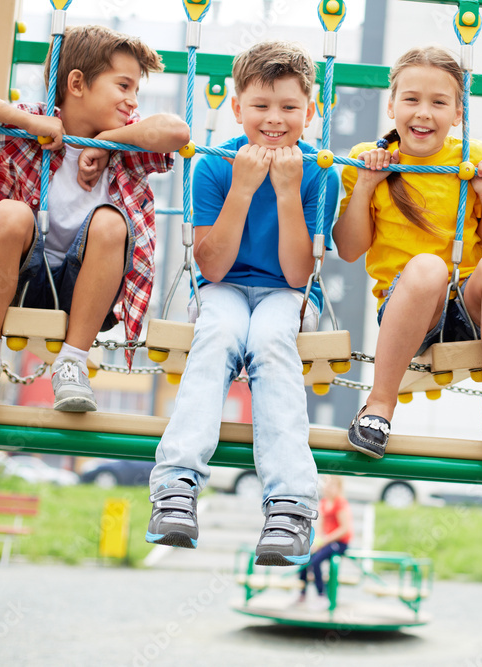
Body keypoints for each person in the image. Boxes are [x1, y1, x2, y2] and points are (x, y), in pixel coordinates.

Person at [0, 25, 188, 433]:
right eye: (123, 85)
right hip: (20, 281)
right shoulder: (30, 129)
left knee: (110, 222)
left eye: (136, 90)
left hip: (83, 295)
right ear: (77, 83)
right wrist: (23, 121)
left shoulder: (125, 147)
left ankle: (72, 363)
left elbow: (177, 132)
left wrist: (106, 143)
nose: (132, 100)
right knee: (11, 213)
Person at [145, 41, 339, 567]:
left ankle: (290, 505)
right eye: (260, 106)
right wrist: (244, 188)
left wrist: (283, 191)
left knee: (272, 341)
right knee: (218, 336)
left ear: (310, 111)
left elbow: (299, 274)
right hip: (223, 287)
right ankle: (176, 487)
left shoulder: (320, 172)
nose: (274, 119)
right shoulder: (213, 166)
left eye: (288, 107)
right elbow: (212, 268)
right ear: (237, 108)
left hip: (290, 292)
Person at [334, 46, 482, 459]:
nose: (423, 112)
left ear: (458, 113)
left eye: (439, 102)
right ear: (391, 106)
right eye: (411, 99)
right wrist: (368, 184)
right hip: (409, 305)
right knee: (426, 267)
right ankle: (379, 406)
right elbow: (350, 250)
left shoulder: (472, 158)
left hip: (470, 307)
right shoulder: (366, 160)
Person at [298, 476, 352, 606]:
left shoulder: (340, 504)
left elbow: (344, 529)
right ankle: (302, 593)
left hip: (339, 543)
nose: (327, 487)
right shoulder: (324, 503)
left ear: (338, 488)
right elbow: (320, 527)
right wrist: (317, 542)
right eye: (326, 484)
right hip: (327, 541)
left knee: (316, 562)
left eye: (331, 485)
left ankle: (322, 595)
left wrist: (325, 540)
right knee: (305, 558)